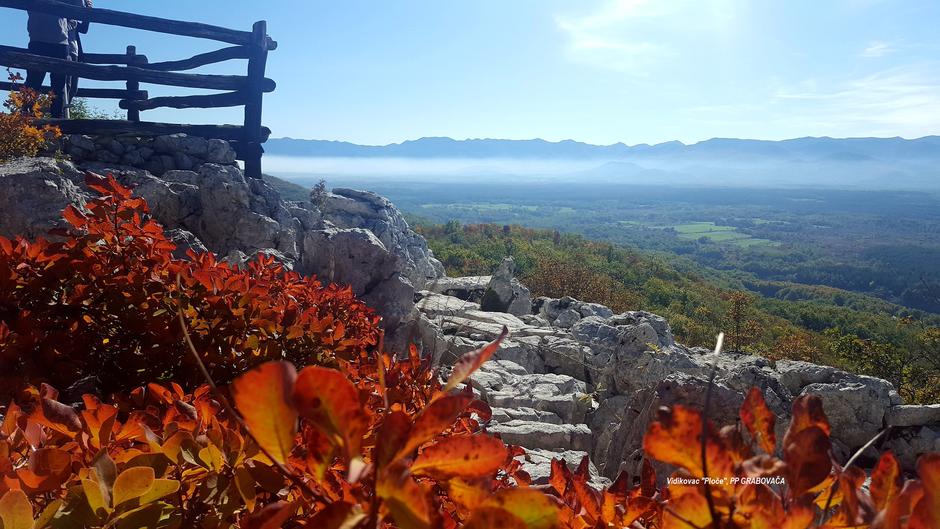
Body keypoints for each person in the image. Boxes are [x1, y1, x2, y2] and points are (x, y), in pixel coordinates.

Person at [24, 0, 90, 118]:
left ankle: (56, 122)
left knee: (57, 86)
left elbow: (79, 8)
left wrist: (69, 24)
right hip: (42, 40)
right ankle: (27, 120)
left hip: (56, 42)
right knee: (34, 83)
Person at [67, 0, 93, 112]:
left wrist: (88, 12)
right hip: (66, 49)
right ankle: (62, 114)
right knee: (66, 85)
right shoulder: (63, 14)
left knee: (73, 88)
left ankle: (64, 112)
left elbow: (83, 29)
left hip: (74, 50)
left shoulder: (72, 18)